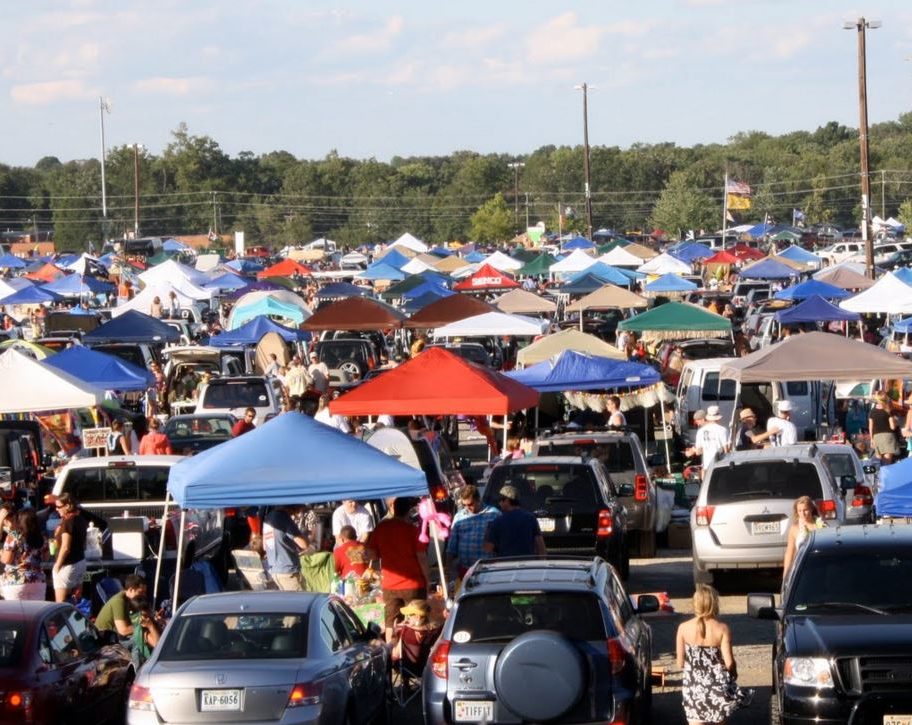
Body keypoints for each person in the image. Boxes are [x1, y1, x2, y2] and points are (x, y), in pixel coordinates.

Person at [676, 584, 752, 724]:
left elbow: (680, 663)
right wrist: (733, 674)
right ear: (714, 603)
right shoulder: (722, 629)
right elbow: (729, 663)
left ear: (695, 604)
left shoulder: (683, 628)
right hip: (717, 689)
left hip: (693, 689)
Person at [366, 498, 430, 641]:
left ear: (393, 508)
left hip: (390, 585)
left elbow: (372, 555)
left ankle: (391, 649)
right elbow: (422, 558)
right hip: (413, 584)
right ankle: (413, 649)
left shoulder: (381, 528)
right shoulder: (413, 530)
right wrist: (427, 580)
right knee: (416, 622)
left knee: (391, 622)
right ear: (408, 511)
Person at [446, 484, 501, 579]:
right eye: (464, 505)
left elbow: (502, 542)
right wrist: (448, 569)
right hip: (465, 570)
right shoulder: (459, 517)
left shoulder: (494, 514)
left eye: (470, 504)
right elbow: (451, 546)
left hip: (488, 569)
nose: (467, 508)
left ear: (478, 499)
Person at [95, 574, 161, 649]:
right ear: (131, 590)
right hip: (105, 641)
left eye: (144, 592)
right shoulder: (119, 601)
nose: (144, 595)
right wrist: (146, 625)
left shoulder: (131, 601)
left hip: (115, 636)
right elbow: (123, 630)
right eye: (141, 592)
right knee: (143, 636)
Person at [484, 485, 547, 557]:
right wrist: (542, 561)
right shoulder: (531, 518)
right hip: (527, 562)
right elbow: (541, 546)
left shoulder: (497, 522)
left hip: (506, 562)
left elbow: (488, 548)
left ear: (507, 500)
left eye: (500, 500)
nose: (499, 503)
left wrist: (487, 534)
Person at [0, 509, 46, 600]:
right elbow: (45, 557)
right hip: (38, 581)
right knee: (36, 609)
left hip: (15, 581)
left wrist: (1, 553)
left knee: (14, 609)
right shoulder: (42, 538)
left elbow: (6, 560)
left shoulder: (13, 536)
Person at [263, 505, 310, 591]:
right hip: (288, 571)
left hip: (275, 570)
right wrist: (307, 536)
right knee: (301, 599)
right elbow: (304, 544)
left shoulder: (268, 518)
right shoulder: (284, 518)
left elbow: (265, 546)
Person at [52, 492, 88, 603]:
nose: (56, 509)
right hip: (80, 561)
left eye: (59, 507)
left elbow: (65, 547)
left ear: (67, 506)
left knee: (61, 602)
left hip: (68, 564)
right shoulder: (80, 519)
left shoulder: (68, 522)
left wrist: (57, 565)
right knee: (76, 599)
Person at [782, 495, 825, 579]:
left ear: (811, 509)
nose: (802, 514)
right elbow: (790, 553)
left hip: (820, 566)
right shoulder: (795, 528)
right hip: (802, 568)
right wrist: (786, 575)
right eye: (800, 511)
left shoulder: (822, 525)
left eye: (805, 510)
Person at [686, 406, 729, 471]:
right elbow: (726, 450)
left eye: (698, 421)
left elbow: (698, 452)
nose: (697, 424)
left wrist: (693, 450)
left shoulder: (700, 431)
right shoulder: (723, 430)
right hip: (720, 465)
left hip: (707, 465)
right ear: (718, 418)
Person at [869, 391, 899, 463]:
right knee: (887, 463)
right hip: (888, 437)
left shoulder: (872, 412)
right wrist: (895, 421)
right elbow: (893, 427)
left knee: (878, 462)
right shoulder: (888, 410)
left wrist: (871, 439)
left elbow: (870, 427)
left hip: (877, 437)